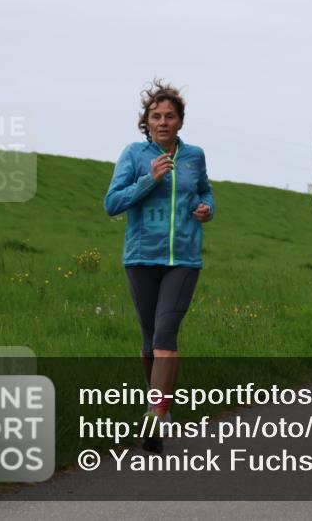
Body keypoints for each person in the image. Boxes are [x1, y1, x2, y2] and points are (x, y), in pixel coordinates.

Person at [104, 80, 215, 454]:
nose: (163, 122)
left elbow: (205, 191)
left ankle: (154, 413)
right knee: (149, 342)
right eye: (156, 116)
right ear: (147, 122)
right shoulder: (134, 155)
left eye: (170, 116)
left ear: (181, 122)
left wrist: (206, 209)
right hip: (140, 257)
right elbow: (112, 203)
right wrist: (148, 179)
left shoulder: (194, 156)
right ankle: (161, 409)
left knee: (166, 336)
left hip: (183, 258)